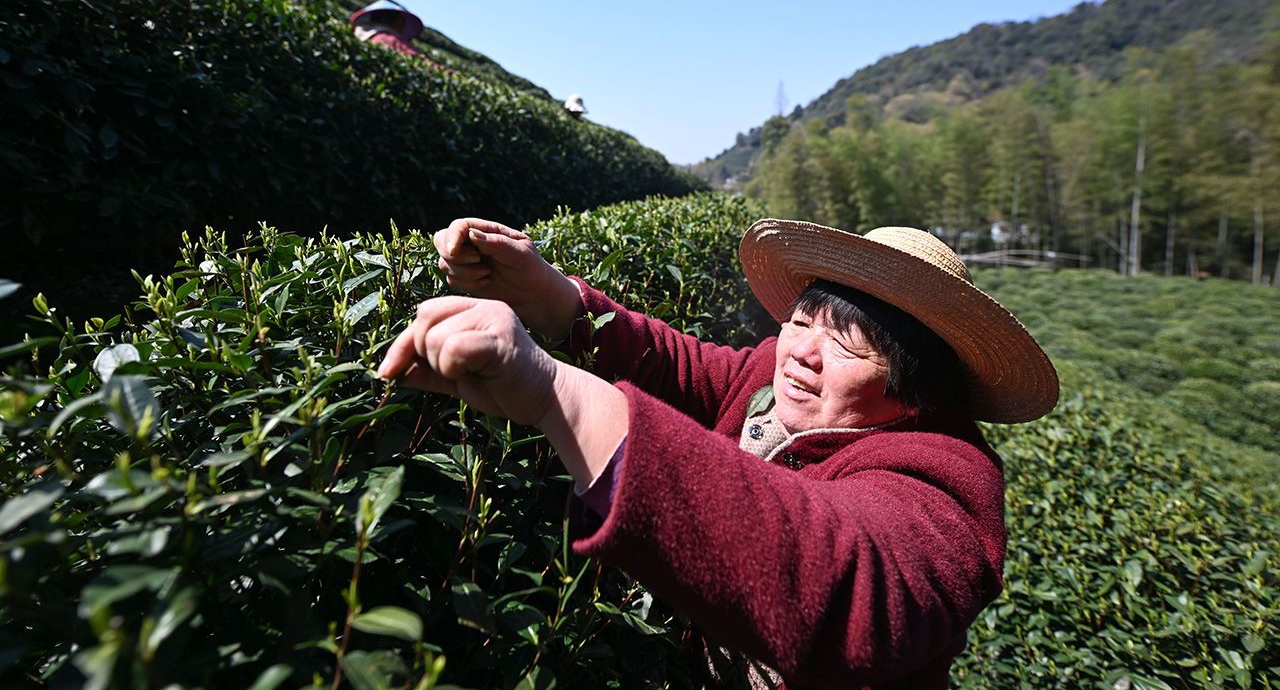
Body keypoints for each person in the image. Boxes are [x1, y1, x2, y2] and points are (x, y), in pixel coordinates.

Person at [377, 217, 1059, 689]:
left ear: (917, 389)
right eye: (800, 321)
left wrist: (555, 392)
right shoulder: (770, 376)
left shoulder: (948, 478)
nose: (801, 353)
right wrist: (545, 293)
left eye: (846, 343)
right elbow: (675, 364)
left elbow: (845, 582)